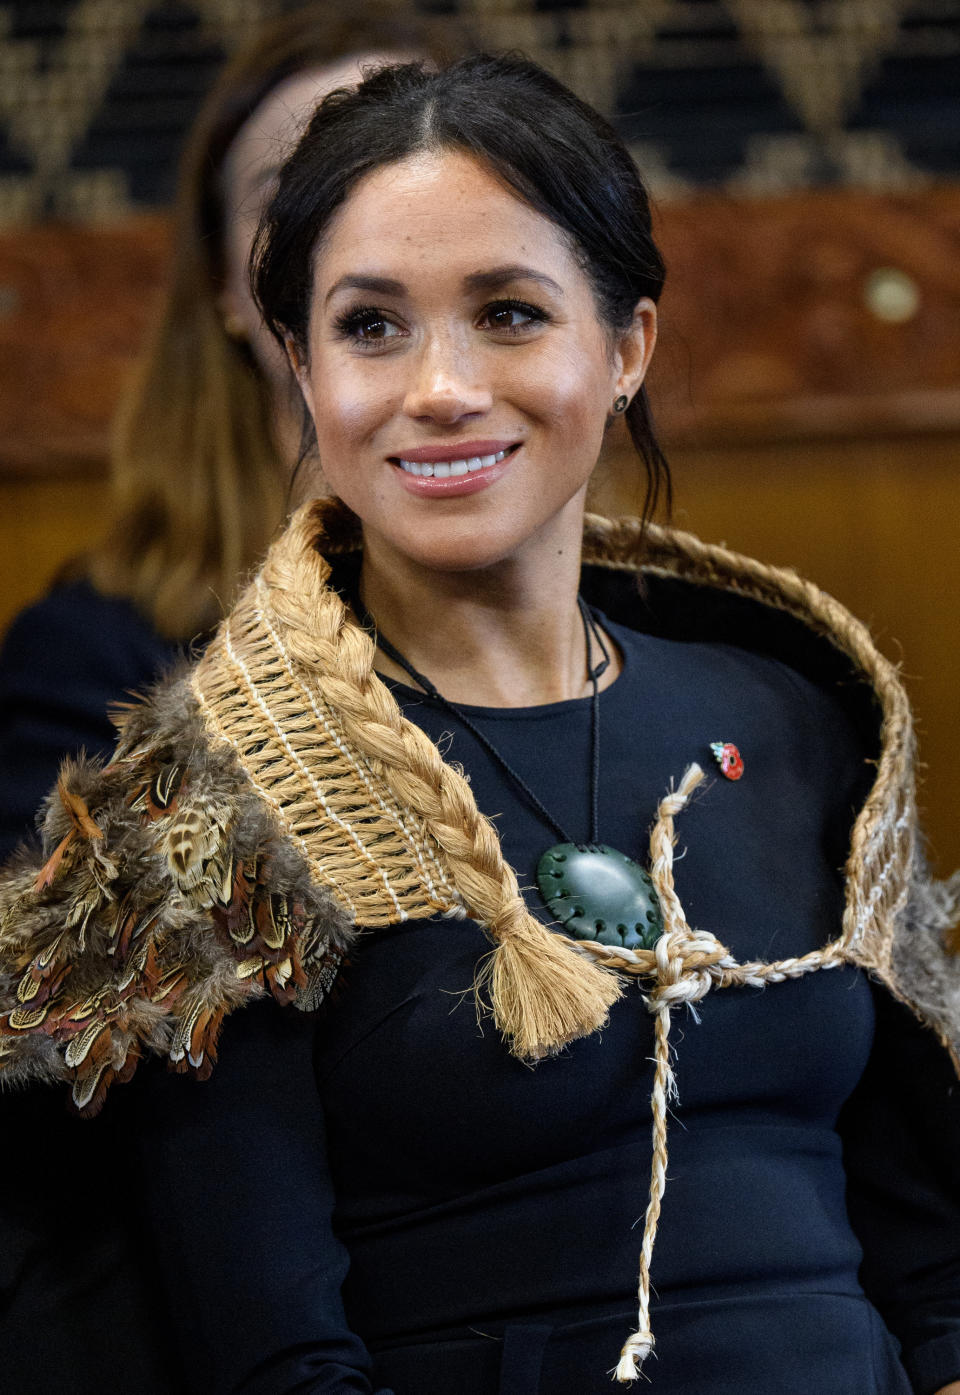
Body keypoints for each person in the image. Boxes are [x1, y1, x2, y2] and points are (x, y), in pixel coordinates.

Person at [1, 53, 959, 1395]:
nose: (440, 385)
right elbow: (276, 1360)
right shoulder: (210, 802)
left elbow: (936, 1274)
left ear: (625, 346)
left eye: (509, 312)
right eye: (371, 325)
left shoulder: (793, 708)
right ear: (300, 363)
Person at [0, 3, 457, 863]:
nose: (366, 244)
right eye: (297, 197)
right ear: (223, 287)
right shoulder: (96, 663)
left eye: (418, 179)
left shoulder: (656, 634)